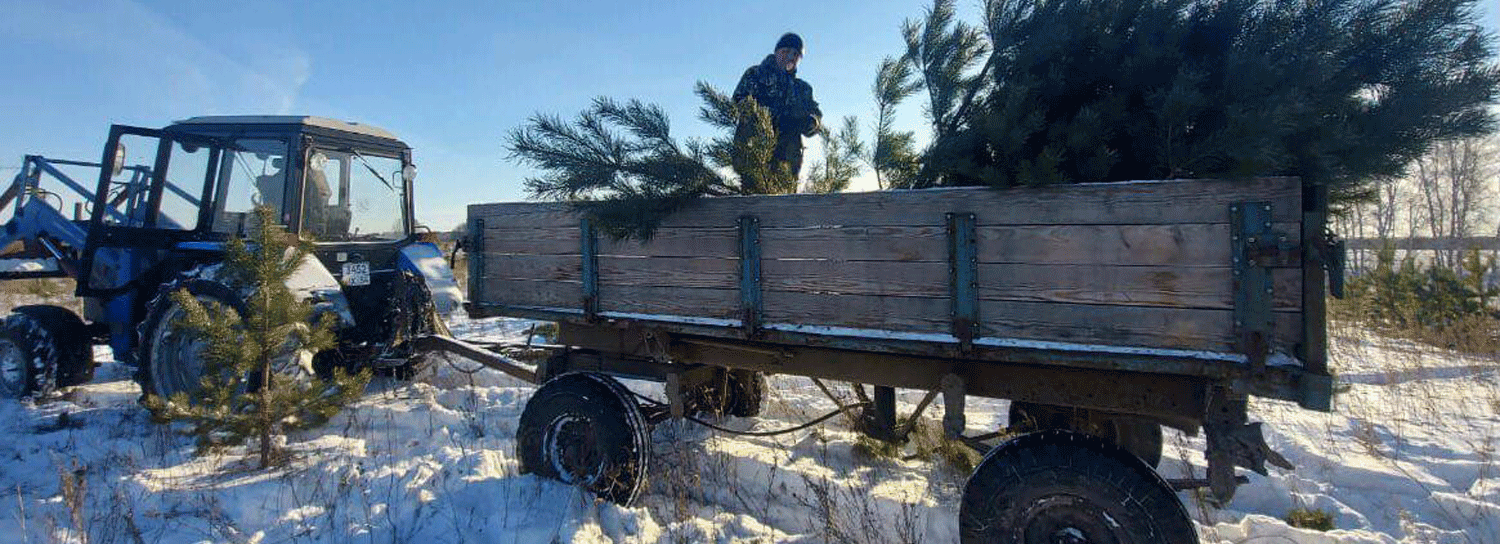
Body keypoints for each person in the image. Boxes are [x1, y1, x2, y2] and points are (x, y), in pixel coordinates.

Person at [733, 32, 822, 180]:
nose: (790, 57)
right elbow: (738, 102)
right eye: (786, 51)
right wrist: (767, 118)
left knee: (784, 192)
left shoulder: (802, 89)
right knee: (752, 191)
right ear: (776, 52)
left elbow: (815, 117)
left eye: (796, 54)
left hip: (786, 163)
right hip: (754, 154)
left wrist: (809, 122)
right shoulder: (755, 74)